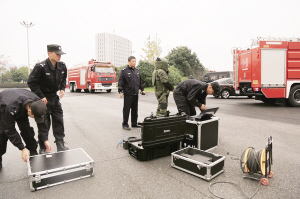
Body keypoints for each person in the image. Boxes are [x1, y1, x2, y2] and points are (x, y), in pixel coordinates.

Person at [27, 44, 68, 154]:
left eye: (60, 54)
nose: (59, 56)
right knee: (44, 124)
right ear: (49, 53)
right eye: (57, 54)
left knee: (59, 120)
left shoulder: (62, 66)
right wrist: (41, 96)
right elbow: (31, 82)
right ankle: (43, 147)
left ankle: (60, 143)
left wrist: (62, 88)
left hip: (54, 98)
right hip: (42, 100)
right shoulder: (40, 67)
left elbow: (64, 79)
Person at [0, 89, 48, 171]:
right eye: (34, 117)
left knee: (27, 130)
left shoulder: (37, 102)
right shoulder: (10, 107)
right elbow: (10, 130)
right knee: (2, 134)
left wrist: (45, 139)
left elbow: (42, 122)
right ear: (29, 111)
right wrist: (22, 148)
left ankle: (33, 150)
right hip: (4, 106)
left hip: (21, 105)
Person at [118, 56, 145, 130]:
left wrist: (142, 89)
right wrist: (120, 91)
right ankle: (125, 124)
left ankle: (134, 123)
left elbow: (139, 82)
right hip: (128, 94)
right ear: (129, 62)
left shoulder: (137, 71)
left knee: (135, 110)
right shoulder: (124, 71)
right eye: (133, 61)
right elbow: (121, 82)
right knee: (126, 109)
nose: (134, 63)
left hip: (135, 93)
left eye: (135, 61)